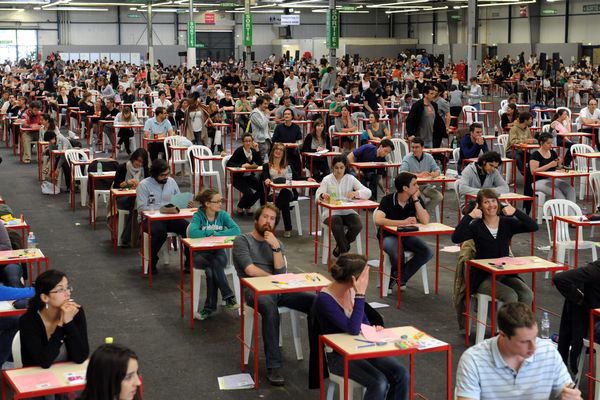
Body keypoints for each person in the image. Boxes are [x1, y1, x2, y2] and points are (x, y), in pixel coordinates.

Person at [232, 204, 315, 386]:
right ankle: (274, 365)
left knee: (315, 301)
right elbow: (250, 270)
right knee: (270, 308)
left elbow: (281, 271)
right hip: (253, 290)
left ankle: (319, 357)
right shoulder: (242, 241)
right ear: (256, 219)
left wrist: (276, 248)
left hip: (278, 288)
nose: (268, 222)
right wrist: (276, 279)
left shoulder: (276, 243)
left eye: (272, 219)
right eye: (265, 217)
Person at [314, 253, 410, 400]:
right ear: (354, 279)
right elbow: (352, 329)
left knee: (401, 373)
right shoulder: (325, 299)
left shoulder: (352, 291)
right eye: (364, 275)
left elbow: (363, 323)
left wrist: (373, 330)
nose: (367, 279)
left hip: (363, 347)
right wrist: (360, 295)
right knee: (379, 382)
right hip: (339, 356)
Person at [455, 302, 581, 400]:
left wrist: (572, 396)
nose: (534, 347)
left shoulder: (548, 353)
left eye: (534, 338)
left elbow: (569, 390)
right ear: (503, 335)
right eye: (524, 341)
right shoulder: (473, 360)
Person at [451, 189, 537, 306]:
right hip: (482, 276)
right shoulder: (476, 226)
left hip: (504, 273)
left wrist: (516, 212)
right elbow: (456, 238)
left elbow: (533, 226)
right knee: (510, 295)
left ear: (498, 203)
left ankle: (519, 323)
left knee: (527, 294)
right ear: (480, 206)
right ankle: (506, 323)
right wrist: (470, 216)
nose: (491, 205)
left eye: (493, 201)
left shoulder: (507, 223)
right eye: (486, 202)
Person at [374, 172, 433, 292]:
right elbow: (378, 219)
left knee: (427, 252)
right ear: (405, 188)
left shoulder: (414, 199)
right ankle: (399, 277)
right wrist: (403, 222)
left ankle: (397, 277)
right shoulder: (388, 200)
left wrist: (416, 199)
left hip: (406, 236)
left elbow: (425, 220)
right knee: (397, 253)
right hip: (388, 236)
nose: (418, 187)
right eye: (415, 184)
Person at [188, 189, 241, 320]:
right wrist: (211, 233)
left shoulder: (222, 215)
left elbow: (236, 230)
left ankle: (209, 308)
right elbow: (193, 233)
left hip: (218, 252)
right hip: (200, 255)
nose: (220, 204)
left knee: (212, 270)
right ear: (207, 203)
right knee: (213, 267)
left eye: (220, 201)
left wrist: (216, 234)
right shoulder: (198, 216)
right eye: (216, 201)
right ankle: (228, 296)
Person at [19, 270, 89, 368]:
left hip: (65, 375)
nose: (67, 293)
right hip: (36, 377)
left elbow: (80, 357)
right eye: (60, 290)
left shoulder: (75, 312)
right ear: (45, 297)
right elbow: (44, 361)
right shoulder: (28, 321)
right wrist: (61, 324)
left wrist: (69, 322)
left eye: (67, 288)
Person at [136, 159, 189, 274]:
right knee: (160, 232)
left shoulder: (171, 181)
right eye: (162, 175)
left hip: (170, 217)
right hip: (149, 218)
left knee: (189, 229)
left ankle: (189, 263)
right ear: (154, 174)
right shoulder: (144, 185)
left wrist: (185, 203)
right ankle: (152, 261)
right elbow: (141, 208)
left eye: (167, 174)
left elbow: (178, 199)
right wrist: (162, 208)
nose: (166, 177)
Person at [316, 155, 371, 257]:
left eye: (341, 167)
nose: (339, 170)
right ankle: (345, 254)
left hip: (347, 210)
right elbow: (317, 196)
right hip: (331, 212)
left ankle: (340, 247)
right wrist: (322, 195)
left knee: (357, 225)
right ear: (332, 167)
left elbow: (368, 192)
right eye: (336, 168)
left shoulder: (350, 178)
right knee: (337, 224)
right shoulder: (327, 179)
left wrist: (357, 193)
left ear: (345, 167)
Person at [261, 142, 315, 238]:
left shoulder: (288, 165)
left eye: (281, 150)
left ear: (283, 153)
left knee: (285, 193)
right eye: (277, 149)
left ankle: (274, 214)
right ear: (273, 151)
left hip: (287, 192)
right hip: (273, 193)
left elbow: (296, 177)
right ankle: (288, 228)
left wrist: (306, 179)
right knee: (284, 202)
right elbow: (264, 177)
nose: (278, 151)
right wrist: (267, 179)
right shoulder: (267, 165)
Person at [113, 148, 149, 247]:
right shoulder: (122, 167)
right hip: (123, 198)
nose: (139, 164)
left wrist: (140, 185)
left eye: (142, 162)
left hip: (138, 199)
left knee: (136, 205)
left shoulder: (145, 170)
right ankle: (134, 235)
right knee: (136, 202)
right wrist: (127, 183)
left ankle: (126, 237)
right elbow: (116, 186)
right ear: (133, 158)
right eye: (137, 160)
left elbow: (150, 185)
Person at [399, 137, 443, 215]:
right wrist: (419, 175)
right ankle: (421, 215)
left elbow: (437, 170)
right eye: (413, 147)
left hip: (426, 186)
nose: (414, 150)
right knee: (421, 198)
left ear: (422, 148)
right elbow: (402, 172)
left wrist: (434, 174)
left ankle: (421, 214)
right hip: (412, 187)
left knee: (439, 196)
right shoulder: (407, 158)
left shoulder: (429, 157)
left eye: (417, 147)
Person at [530, 132, 576, 202]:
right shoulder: (535, 155)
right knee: (559, 194)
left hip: (551, 179)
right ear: (541, 143)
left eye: (551, 143)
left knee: (570, 190)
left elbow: (558, 167)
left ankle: (571, 212)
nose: (550, 145)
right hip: (538, 181)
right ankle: (564, 212)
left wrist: (564, 167)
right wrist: (549, 165)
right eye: (548, 143)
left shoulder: (552, 153)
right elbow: (533, 172)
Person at [226, 132, 264, 215]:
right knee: (249, 193)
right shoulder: (239, 151)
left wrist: (257, 150)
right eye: (246, 141)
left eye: (250, 141)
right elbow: (229, 163)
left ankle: (247, 205)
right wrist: (241, 165)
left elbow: (260, 164)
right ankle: (240, 206)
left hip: (249, 177)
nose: (248, 143)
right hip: (237, 178)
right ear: (243, 142)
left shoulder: (253, 151)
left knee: (262, 189)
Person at [272, 108, 302, 175]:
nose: (286, 115)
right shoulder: (279, 127)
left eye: (288, 114)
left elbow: (299, 141)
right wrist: (282, 145)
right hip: (282, 152)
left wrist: (296, 145)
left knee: (297, 163)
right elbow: (274, 142)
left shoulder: (296, 127)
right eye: (285, 114)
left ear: (292, 116)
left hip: (293, 151)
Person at [301, 118, 331, 182]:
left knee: (328, 173)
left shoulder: (326, 136)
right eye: (318, 126)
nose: (320, 127)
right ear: (315, 127)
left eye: (321, 126)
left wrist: (324, 149)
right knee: (316, 173)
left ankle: (317, 185)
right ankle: (315, 188)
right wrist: (316, 150)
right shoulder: (310, 136)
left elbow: (329, 149)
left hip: (322, 161)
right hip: (311, 161)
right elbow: (303, 149)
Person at [508, 111, 537, 176]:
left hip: (521, 150)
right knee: (518, 157)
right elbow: (512, 141)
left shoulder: (527, 129)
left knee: (533, 157)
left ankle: (534, 172)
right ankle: (525, 173)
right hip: (511, 151)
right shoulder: (514, 129)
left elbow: (529, 140)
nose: (531, 121)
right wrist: (525, 141)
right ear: (525, 120)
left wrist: (532, 142)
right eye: (530, 119)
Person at [250, 96, 273, 161]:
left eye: (267, 104)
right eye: (265, 104)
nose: (267, 106)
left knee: (266, 160)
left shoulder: (262, 112)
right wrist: (268, 115)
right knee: (262, 160)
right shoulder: (255, 114)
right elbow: (262, 125)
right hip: (260, 141)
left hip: (266, 139)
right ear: (260, 104)